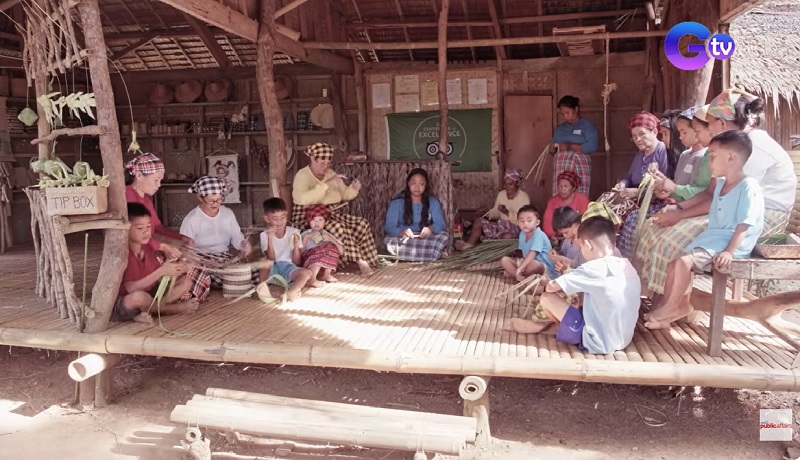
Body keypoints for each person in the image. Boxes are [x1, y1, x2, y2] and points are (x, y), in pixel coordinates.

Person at [634, 89, 796, 297]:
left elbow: (725, 201)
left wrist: (679, 215)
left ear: (721, 123)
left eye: (709, 123)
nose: (708, 130)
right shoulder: (730, 146)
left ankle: (672, 302)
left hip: (757, 220)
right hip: (730, 210)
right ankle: (653, 295)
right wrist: (678, 208)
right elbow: (712, 192)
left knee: (672, 239)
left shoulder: (750, 148)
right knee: (655, 225)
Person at [644, 130, 764, 329]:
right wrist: (679, 209)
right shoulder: (721, 185)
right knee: (675, 264)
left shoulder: (748, 186)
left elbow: (745, 223)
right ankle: (675, 307)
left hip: (729, 243)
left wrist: (729, 251)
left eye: (714, 157)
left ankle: (672, 308)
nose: (710, 163)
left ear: (732, 158)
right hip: (713, 240)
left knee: (683, 263)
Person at [507, 217, 640, 356]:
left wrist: (550, 279)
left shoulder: (592, 268)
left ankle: (545, 327)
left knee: (547, 297)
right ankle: (555, 327)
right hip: (623, 339)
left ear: (588, 245)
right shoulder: (626, 265)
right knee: (580, 298)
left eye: (581, 247)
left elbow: (551, 287)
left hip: (597, 342)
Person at [617, 106, 708, 257]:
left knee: (635, 220)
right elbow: (675, 185)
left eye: (683, 132)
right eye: (634, 136)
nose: (679, 137)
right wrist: (665, 190)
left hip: (685, 208)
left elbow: (699, 193)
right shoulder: (685, 155)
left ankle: (633, 263)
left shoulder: (703, 156)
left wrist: (669, 192)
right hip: (675, 203)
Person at [291, 142, 378, 276]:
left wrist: (353, 189)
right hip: (309, 217)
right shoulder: (302, 176)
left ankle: (369, 259)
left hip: (330, 214)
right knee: (339, 228)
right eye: (322, 163)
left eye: (328, 163)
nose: (325, 167)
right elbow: (303, 199)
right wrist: (324, 185)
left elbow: (343, 194)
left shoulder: (331, 173)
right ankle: (360, 261)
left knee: (361, 224)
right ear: (313, 159)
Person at [113, 203, 199, 324]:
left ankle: (148, 310)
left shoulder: (148, 247)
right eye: (139, 228)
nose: (146, 232)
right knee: (139, 298)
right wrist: (162, 271)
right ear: (126, 229)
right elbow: (131, 288)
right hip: (127, 301)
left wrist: (176, 269)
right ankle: (171, 309)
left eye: (148, 227)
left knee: (186, 282)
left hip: (149, 294)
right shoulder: (124, 254)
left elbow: (157, 279)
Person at [180, 176, 252, 287]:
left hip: (224, 258)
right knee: (230, 279)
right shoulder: (192, 219)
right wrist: (192, 254)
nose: (215, 204)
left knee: (251, 275)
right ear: (200, 198)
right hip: (203, 262)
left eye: (219, 200)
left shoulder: (228, 214)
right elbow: (185, 248)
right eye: (211, 201)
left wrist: (243, 245)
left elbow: (237, 237)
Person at [124, 153, 188, 259]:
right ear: (139, 175)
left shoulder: (146, 199)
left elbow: (157, 227)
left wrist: (182, 238)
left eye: (160, 180)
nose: (159, 185)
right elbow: (135, 235)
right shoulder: (128, 196)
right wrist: (163, 247)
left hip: (146, 247)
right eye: (156, 180)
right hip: (134, 254)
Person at [455, 168, 530, 251]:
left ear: (517, 183)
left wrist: (507, 212)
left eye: (510, 184)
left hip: (515, 228)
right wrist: (487, 211)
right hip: (501, 225)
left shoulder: (524, 197)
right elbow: (496, 213)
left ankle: (493, 247)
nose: (507, 187)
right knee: (478, 222)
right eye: (505, 184)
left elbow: (524, 222)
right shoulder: (501, 194)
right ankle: (469, 245)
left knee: (507, 236)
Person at [384, 168, 450, 262]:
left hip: (425, 238)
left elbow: (441, 224)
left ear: (426, 185)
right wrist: (401, 232)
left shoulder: (432, 202)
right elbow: (389, 226)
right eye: (414, 183)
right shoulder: (397, 202)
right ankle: (432, 255)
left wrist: (430, 229)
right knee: (389, 241)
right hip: (404, 239)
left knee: (443, 236)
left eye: (421, 184)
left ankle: (408, 256)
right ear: (408, 183)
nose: (417, 187)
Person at [258, 198, 313, 300]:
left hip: (287, 267)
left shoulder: (294, 232)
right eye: (275, 219)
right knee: (263, 261)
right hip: (272, 268)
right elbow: (271, 259)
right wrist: (270, 238)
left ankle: (293, 291)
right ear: (267, 218)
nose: (280, 222)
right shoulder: (264, 235)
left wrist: (296, 246)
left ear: (286, 214)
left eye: (283, 217)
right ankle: (262, 287)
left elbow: (296, 262)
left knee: (307, 273)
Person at [613, 111, 672, 198]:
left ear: (655, 132)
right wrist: (622, 184)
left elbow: (664, 186)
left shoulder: (662, 150)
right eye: (634, 136)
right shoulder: (639, 154)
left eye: (642, 134)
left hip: (656, 201)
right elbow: (629, 177)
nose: (638, 139)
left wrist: (638, 192)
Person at [551, 96, 599, 195]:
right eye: (562, 114)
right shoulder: (560, 129)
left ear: (576, 109)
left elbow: (593, 146)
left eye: (567, 113)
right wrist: (552, 149)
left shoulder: (587, 126)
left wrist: (569, 147)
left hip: (579, 165)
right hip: (561, 166)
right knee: (561, 191)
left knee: (579, 192)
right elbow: (554, 147)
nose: (565, 116)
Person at [500, 205, 557, 281]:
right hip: (527, 263)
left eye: (529, 221)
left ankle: (518, 275)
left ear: (537, 222)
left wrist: (520, 268)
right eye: (522, 221)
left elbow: (532, 253)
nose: (525, 224)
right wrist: (522, 265)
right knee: (504, 260)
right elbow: (524, 254)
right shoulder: (522, 234)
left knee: (535, 264)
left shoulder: (538, 234)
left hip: (543, 266)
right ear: (518, 223)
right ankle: (520, 277)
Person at [302, 204, 344, 284]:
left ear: (326, 222)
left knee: (332, 247)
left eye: (320, 219)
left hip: (325, 266)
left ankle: (326, 275)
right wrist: (306, 238)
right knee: (321, 249)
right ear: (309, 221)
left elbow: (341, 251)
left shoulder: (327, 234)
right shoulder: (306, 234)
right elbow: (300, 254)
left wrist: (331, 240)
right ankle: (312, 278)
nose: (316, 222)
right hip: (309, 264)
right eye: (313, 220)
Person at [542, 170, 590, 237]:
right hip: (558, 238)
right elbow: (547, 224)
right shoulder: (552, 202)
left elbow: (586, 221)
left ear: (573, 188)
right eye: (560, 186)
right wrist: (552, 237)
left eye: (566, 186)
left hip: (578, 236)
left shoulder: (582, 199)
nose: (562, 189)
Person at [658, 109, 688, 177]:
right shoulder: (668, 155)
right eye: (662, 134)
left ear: (676, 134)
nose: (663, 139)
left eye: (665, 133)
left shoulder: (690, 156)